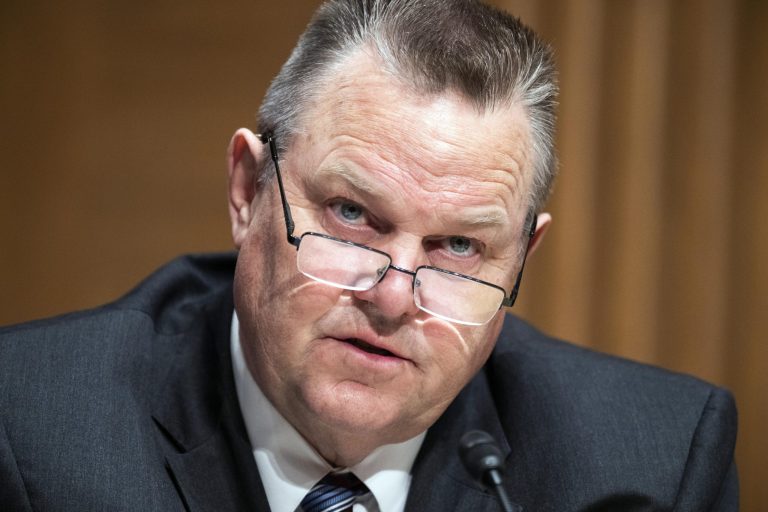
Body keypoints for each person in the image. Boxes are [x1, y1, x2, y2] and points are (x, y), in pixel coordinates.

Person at [0, 0, 737, 511]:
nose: (392, 297)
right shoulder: (32, 426)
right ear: (249, 189)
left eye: (459, 246)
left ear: (521, 260)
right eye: (352, 215)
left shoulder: (650, 467)